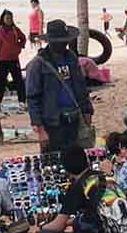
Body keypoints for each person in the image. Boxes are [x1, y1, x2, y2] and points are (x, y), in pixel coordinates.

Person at [39, 144, 127, 233]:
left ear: (66, 169)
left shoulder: (76, 186)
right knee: (77, 223)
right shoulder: (104, 177)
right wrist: (70, 222)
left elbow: (58, 226)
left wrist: (43, 228)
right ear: (87, 161)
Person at [26, 19, 94, 161]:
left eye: (65, 41)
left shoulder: (71, 57)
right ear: (50, 42)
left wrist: (87, 111)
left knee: (75, 159)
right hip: (52, 123)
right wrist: (40, 129)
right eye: (60, 41)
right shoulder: (37, 64)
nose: (64, 44)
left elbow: (81, 87)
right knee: (53, 161)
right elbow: (32, 98)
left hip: (74, 119)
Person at [0, 9, 27, 104]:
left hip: (14, 59)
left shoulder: (15, 29)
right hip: (2, 60)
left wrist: (19, 47)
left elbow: (23, 38)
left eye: (10, 18)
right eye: (7, 18)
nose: (9, 20)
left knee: (19, 81)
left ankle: (22, 101)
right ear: (3, 19)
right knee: (1, 82)